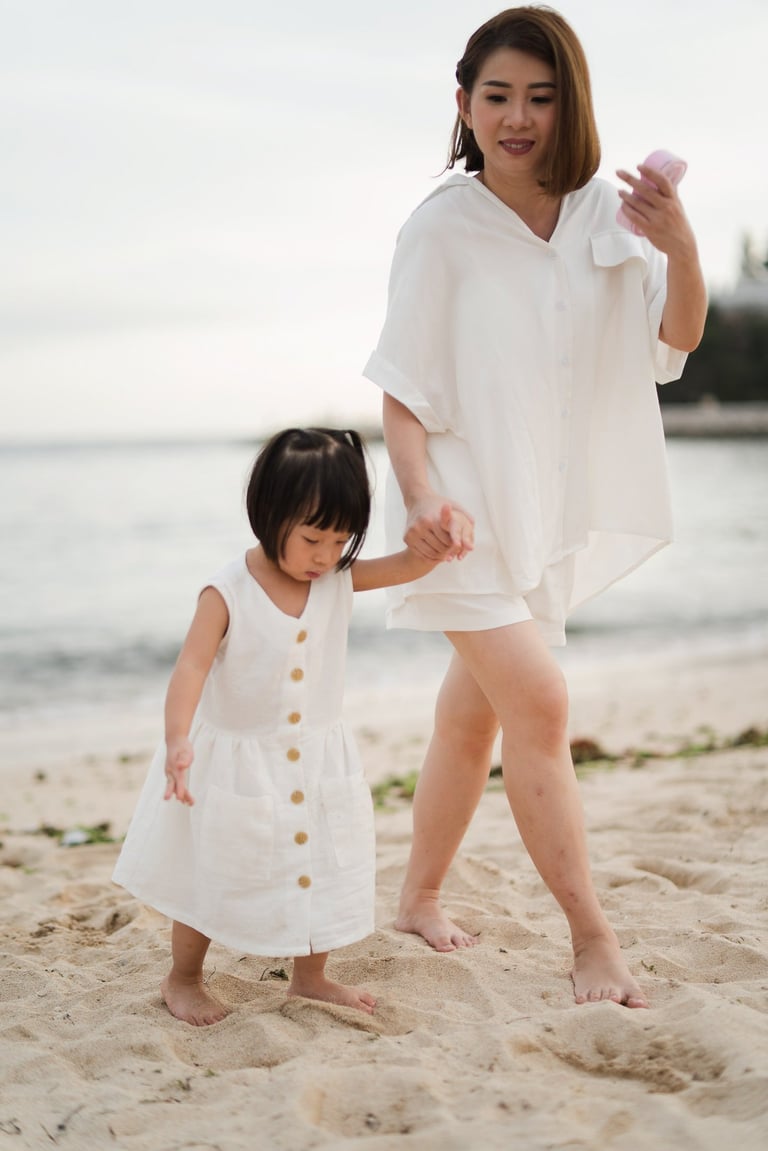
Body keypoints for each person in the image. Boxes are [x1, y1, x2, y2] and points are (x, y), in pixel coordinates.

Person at [363, 5, 707, 1008]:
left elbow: (672, 345)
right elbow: (401, 387)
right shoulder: (441, 226)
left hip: (544, 504)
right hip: (462, 505)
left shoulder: (607, 210)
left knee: (472, 721)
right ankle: (592, 939)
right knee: (543, 702)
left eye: (541, 98)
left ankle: (419, 896)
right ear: (464, 105)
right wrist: (423, 499)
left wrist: (680, 245)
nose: (518, 118)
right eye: (498, 96)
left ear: (571, 106)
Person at [113, 427, 462, 1026]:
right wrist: (176, 740)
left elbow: (408, 565)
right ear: (268, 516)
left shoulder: (336, 579)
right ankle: (184, 977)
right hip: (236, 765)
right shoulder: (227, 591)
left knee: (322, 869)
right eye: (312, 539)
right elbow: (191, 667)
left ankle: (311, 977)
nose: (325, 556)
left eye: (340, 540)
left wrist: (439, 536)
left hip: (318, 758)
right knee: (210, 872)